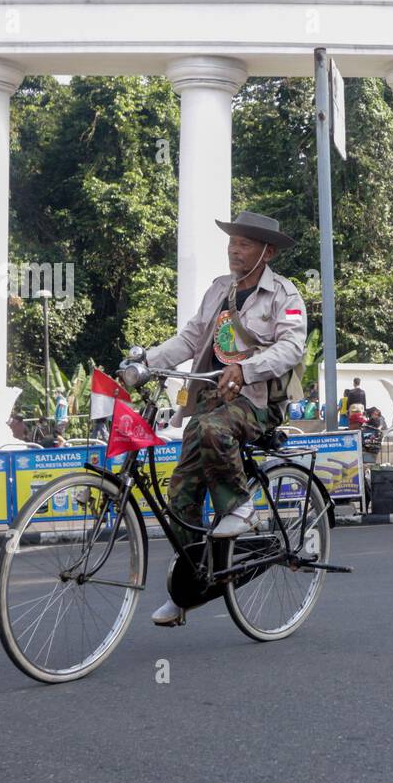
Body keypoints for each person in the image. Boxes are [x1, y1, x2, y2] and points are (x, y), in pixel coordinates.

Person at [139, 209, 306, 627]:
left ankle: (239, 504)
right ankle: (189, 588)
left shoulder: (285, 296)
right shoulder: (218, 290)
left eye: (245, 244)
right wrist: (146, 362)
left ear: (266, 252)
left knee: (214, 428)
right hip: (210, 402)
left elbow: (292, 348)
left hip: (257, 402)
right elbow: (193, 336)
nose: (235, 249)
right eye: (232, 242)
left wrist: (246, 368)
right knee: (180, 498)